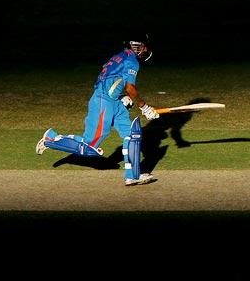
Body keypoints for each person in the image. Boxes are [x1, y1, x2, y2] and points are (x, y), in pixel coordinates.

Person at [35, 34, 161, 186]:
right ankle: (51, 139)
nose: (146, 49)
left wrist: (121, 97)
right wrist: (145, 107)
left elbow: (112, 79)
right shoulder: (131, 61)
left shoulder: (120, 56)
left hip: (113, 100)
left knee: (132, 135)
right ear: (137, 45)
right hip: (103, 101)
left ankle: (132, 176)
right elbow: (129, 87)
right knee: (88, 147)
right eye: (144, 46)